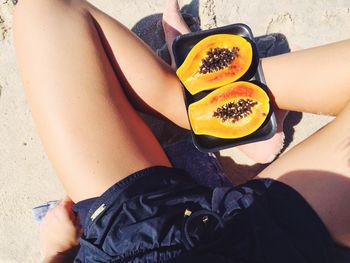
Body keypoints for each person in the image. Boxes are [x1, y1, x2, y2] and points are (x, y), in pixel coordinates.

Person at [12, 0, 350, 262]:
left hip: (126, 241)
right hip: (259, 250)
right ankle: (223, 108)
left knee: (46, 13)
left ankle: (195, 108)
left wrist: (54, 255)